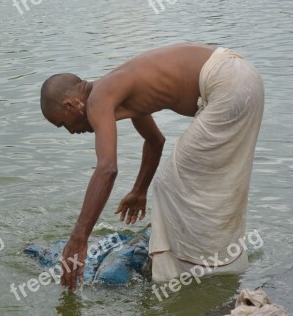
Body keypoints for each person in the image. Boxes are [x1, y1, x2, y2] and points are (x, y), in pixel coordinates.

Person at [40, 43, 264, 291]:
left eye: (62, 124)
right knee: (193, 185)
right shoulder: (117, 90)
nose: (71, 132)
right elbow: (155, 141)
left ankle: (195, 270)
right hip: (241, 77)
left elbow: (106, 168)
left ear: (72, 105)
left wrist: (78, 239)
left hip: (229, 84)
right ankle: (209, 263)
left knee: (169, 184)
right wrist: (139, 190)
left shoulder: (98, 99)